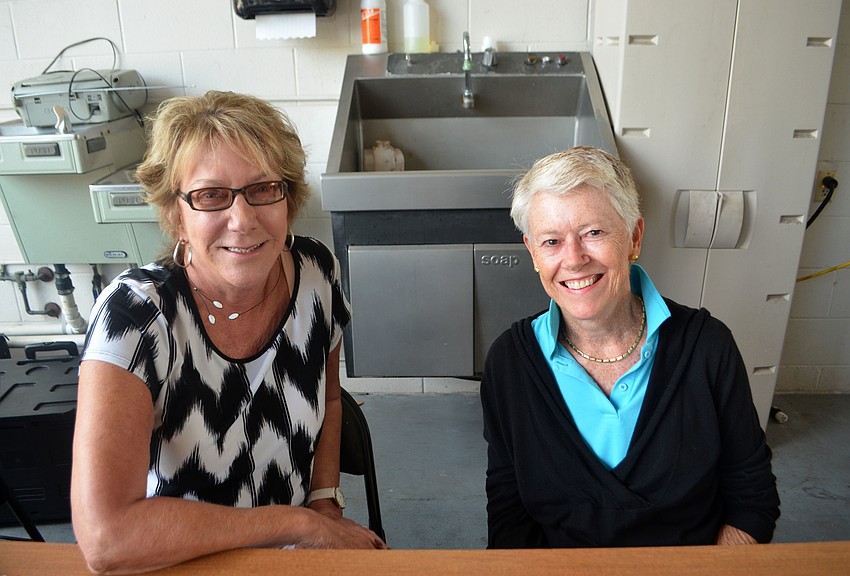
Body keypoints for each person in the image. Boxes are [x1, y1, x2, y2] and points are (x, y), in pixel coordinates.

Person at [71, 91, 386, 573]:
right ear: (176, 213)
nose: (243, 220)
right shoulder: (135, 317)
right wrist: (300, 524)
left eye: (262, 188)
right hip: (180, 558)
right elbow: (106, 540)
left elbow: (333, 402)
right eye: (211, 195)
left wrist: (323, 504)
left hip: (294, 557)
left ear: (288, 197)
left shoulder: (316, 273)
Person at [480, 146, 780, 548]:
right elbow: (509, 509)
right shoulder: (510, 363)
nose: (574, 259)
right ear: (533, 253)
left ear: (634, 236)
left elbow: (751, 498)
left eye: (594, 233)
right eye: (551, 241)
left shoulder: (708, 347)